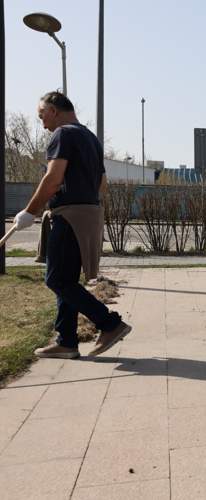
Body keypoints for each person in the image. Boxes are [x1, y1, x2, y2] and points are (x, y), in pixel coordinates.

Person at [12, 91, 131, 359]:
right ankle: (66, 341)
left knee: (56, 278)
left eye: (42, 116)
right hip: (89, 213)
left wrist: (30, 211)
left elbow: (53, 178)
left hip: (70, 215)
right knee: (66, 279)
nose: (42, 124)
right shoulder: (90, 138)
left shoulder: (63, 134)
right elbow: (102, 184)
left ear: (53, 110)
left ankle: (109, 323)